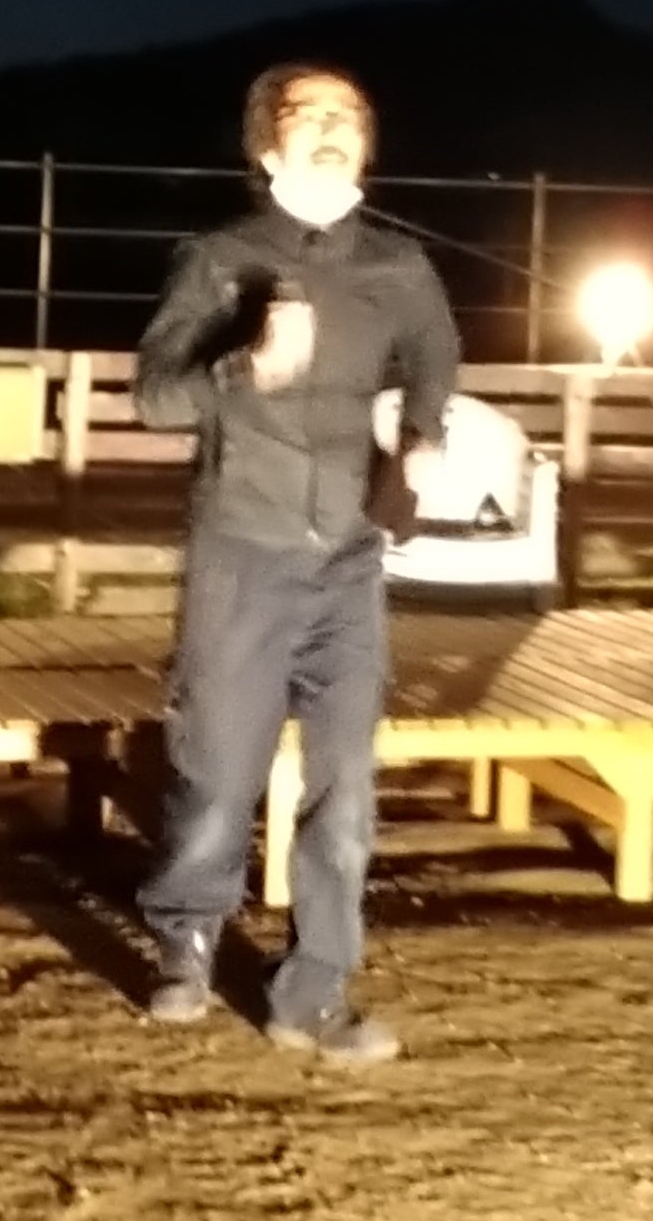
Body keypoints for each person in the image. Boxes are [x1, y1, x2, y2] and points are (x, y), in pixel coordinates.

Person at [127, 63, 460, 1065]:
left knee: (345, 787)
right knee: (218, 769)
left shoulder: (398, 264)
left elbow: (436, 352)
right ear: (266, 146)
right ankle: (186, 938)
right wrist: (245, 369)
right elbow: (154, 397)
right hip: (243, 547)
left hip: (349, 556)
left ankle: (312, 990)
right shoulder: (221, 259)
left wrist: (424, 435)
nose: (329, 127)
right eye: (305, 115)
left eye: (347, 115)